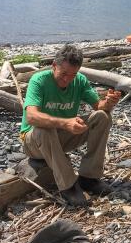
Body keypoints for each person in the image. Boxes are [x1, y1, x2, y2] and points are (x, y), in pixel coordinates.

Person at [20, 44, 121, 206]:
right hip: (33, 141)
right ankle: (68, 186)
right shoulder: (39, 80)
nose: (67, 79)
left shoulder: (79, 81)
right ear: (54, 66)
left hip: (61, 136)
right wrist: (65, 122)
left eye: (73, 75)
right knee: (44, 128)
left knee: (102, 117)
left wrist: (109, 103)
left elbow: (99, 106)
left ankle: (89, 177)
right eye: (63, 73)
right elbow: (31, 117)